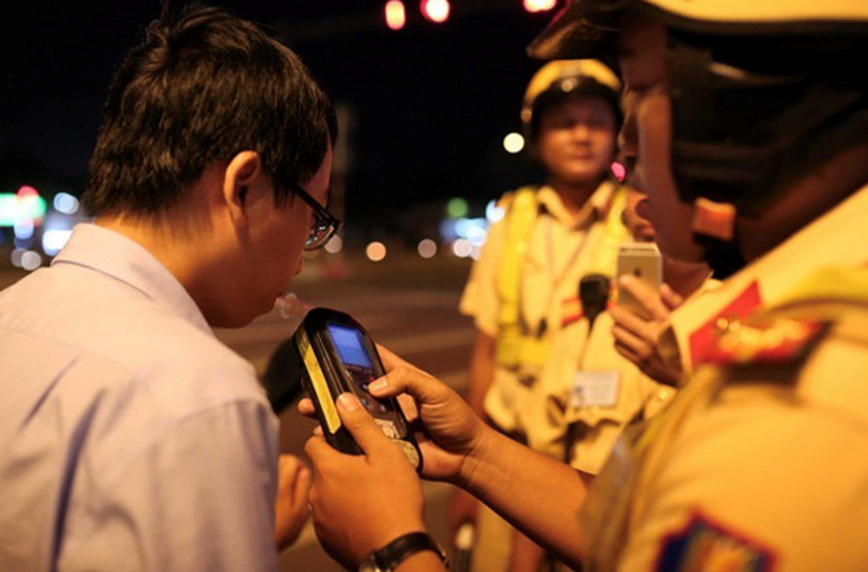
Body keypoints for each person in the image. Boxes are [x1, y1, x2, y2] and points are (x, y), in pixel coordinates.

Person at [302, 0, 868, 571]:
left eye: (643, 89)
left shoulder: (815, 397)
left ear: (742, 100)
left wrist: (393, 547)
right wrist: (475, 453)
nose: (622, 141)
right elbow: (632, 526)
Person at [0, 5, 339, 570]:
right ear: (245, 188)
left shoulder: (11, 313)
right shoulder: (204, 397)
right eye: (314, 216)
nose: (310, 249)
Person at [452, 58, 635, 572]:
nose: (582, 136)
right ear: (537, 138)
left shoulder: (642, 222)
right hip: (511, 458)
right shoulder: (513, 221)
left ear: (619, 134)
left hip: (599, 470)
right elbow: (486, 348)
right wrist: (470, 476)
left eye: (597, 122)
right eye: (563, 123)